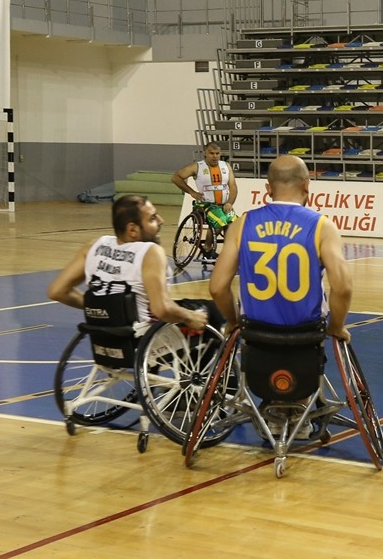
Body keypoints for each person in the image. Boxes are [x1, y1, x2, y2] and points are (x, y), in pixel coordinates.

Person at [209, 154, 352, 440]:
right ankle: (299, 405)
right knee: (315, 335)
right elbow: (343, 287)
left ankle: (273, 407)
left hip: (258, 333)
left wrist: (233, 321)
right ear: (307, 186)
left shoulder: (241, 225)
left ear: (268, 189)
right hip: (306, 334)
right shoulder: (322, 226)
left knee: (254, 339)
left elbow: (217, 287)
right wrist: (336, 325)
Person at [47, 194, 208, 332]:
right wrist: (191, 317)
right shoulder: (150, 252)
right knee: (208, 313)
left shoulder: (93, 246)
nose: (161, 220)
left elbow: (56, 291)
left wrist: (102, 309)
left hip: (103, 335)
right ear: (133, 230)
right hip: (141, 337)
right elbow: (162, 309)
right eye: (152, 218)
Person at [172, 141, 239, 233]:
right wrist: (192, 192)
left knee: (234, 224)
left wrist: (229, 203)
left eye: (217, 153)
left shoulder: (226, 166)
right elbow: (175, 177)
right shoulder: (197, 167)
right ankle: (208, 246)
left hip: (223, 205)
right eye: (211, 153)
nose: (215, 156)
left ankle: (228, 246)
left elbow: (233, 187)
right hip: (206, 205)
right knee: (220, 220)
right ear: (205, 153)